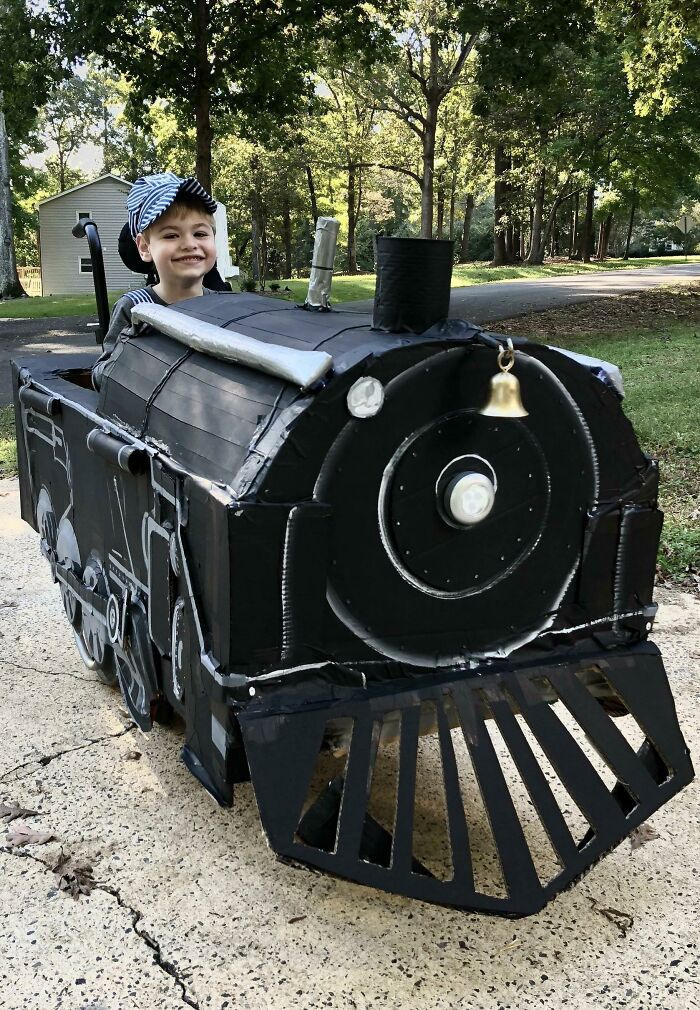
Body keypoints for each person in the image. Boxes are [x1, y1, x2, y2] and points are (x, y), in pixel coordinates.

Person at [92, 172, 226, 389]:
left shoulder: (224, 306)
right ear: (145, 247)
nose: (190, 244)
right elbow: (101, 376)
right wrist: (134, 355)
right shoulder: (135, 308)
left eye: (200, 234)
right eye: (171, 235)